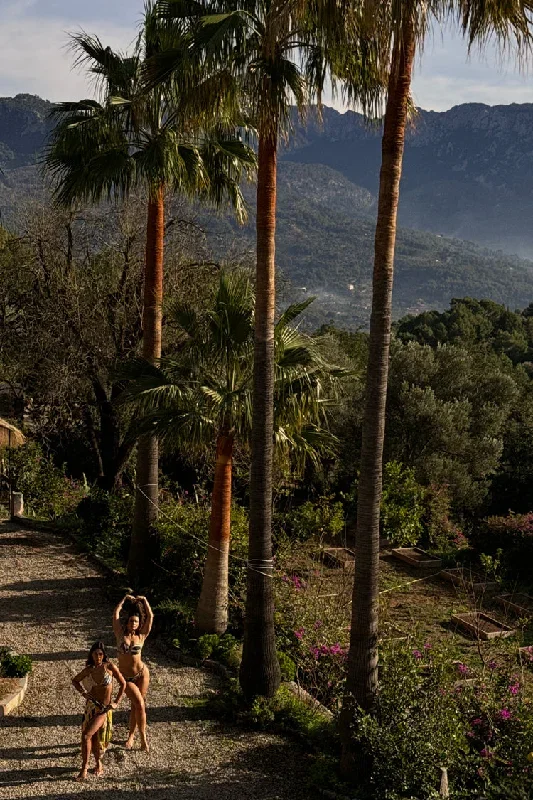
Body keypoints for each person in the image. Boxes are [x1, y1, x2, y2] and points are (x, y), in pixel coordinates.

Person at [72, 641, 126, 781]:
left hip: (103, 709)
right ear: (91, 654)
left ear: (104, 655)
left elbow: (123, 684)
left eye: (100, 654)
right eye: (95, 653)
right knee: (92, 737)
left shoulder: (109, 667)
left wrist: (116, 702)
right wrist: (84, 693)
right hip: (91, 707)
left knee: (88, 736)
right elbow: (75, 681)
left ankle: (88, 766)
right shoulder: (89, 670)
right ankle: (91, 765)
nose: (98, 656)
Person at [113, 593, 154, 751]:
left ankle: (134, 735)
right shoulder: (119, 634)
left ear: (138, 623)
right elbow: (116, 614)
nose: (133, 623)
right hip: (127, 678)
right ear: (128, 621)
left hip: (142, 673)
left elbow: (150, 616)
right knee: (139, 704)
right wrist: (123, 600)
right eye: (131, 621)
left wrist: (144, 601)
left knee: (137, 705)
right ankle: (142, 739)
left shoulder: (141, 636)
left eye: (136, 621)